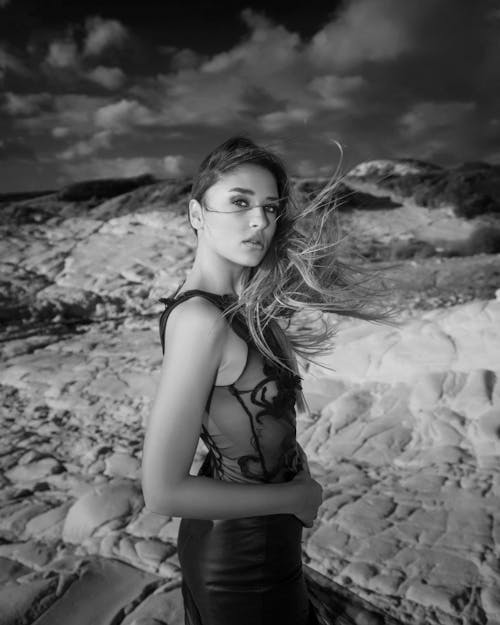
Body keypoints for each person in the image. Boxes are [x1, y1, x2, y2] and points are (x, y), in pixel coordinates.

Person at [141, 137, 401, 625]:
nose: (260, 221)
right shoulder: (201, 320)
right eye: (239, 202)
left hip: (267, 543)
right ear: (197, 214)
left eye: (270, 207)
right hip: (239, 565)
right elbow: (161, 491)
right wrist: (295, 496)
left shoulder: (243, 309)